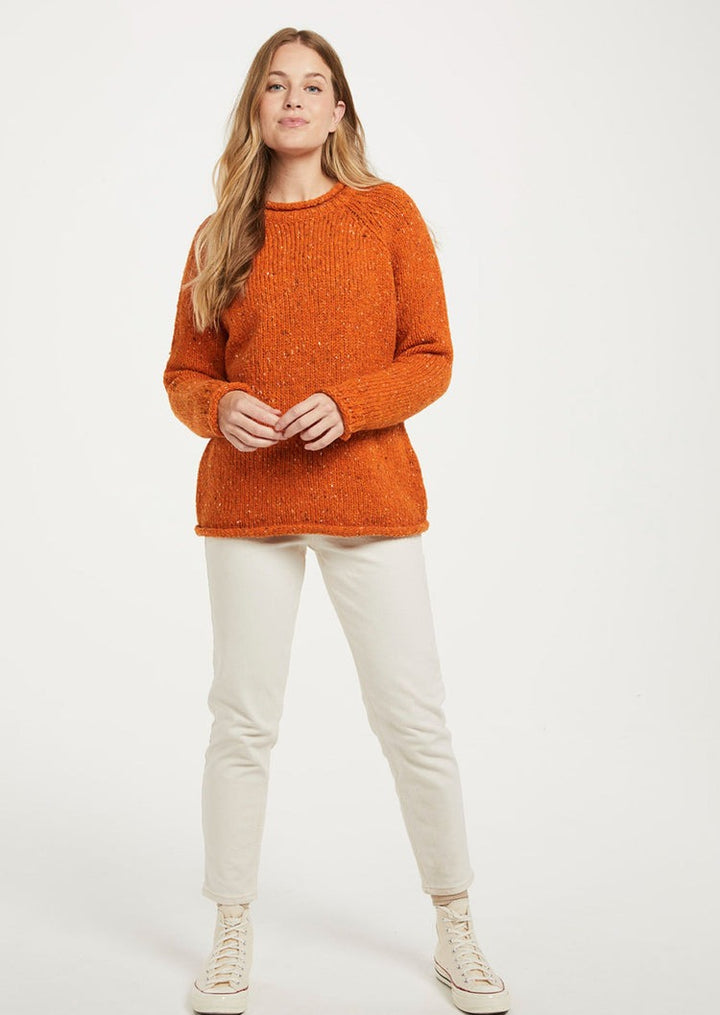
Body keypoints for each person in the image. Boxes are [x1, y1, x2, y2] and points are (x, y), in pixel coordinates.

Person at [163, 25, 511, 1015]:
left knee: (413, 719)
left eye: (313, 86)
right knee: (242, 720)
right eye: (277, 85)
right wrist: (217, 405)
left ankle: (455, 921)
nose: (294, 99)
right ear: (257, 106)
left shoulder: (386, 214)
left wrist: (349, 404)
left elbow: (432, 355)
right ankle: (231, 926)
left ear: (339, 109)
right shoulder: (219, 234)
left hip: (368, 494)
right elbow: (184, 371)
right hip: (248, 501)